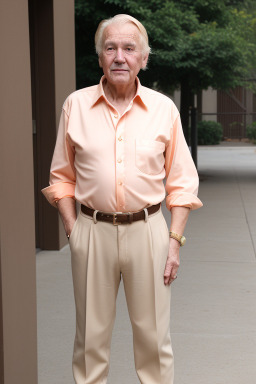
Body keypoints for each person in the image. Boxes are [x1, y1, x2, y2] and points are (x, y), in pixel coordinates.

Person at [42, 13, 202, 384]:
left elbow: (182, 184)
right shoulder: (76, 106)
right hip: (91, 232)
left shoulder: (163, 109)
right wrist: (74, 231)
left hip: (148, 233)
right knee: (90, 341)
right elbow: (60, 176)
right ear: (99, 57)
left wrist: (174, 242)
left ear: (143, 59)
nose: (119, 56)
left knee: (154, 341)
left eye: (129, 49)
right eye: (110, 47)